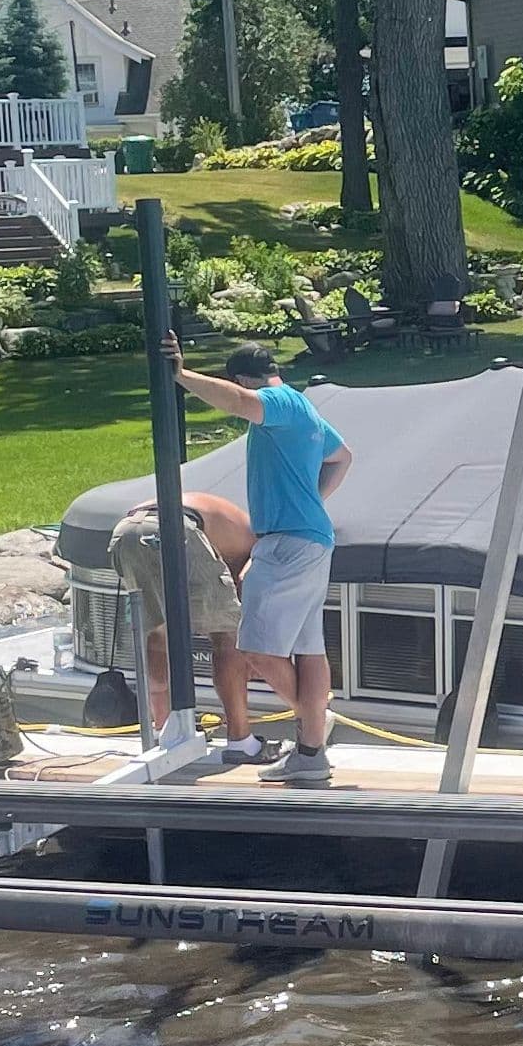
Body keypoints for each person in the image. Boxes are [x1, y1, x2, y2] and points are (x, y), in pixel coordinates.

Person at [166, 336, 353, 785]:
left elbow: (238, 401)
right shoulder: (305, 410)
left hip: (287, 543)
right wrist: (312, 500)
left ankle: (312, 727)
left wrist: (181, 376)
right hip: (309, 538)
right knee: (308, 648)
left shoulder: (279, 404)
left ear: (244, 378)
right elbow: (342, 457)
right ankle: (310, 751)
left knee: (254, 647)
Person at [107, 489, 290, 759]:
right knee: (228, 637)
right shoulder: (261, 544)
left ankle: (164, 731)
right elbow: (246, 583)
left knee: (159, 632)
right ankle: (242, 741)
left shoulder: (233, 521)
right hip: (179, 528)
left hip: (127, 530)